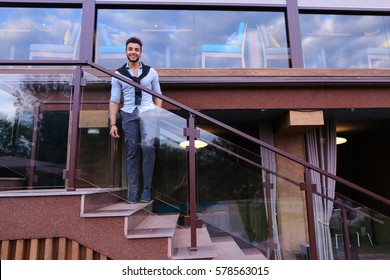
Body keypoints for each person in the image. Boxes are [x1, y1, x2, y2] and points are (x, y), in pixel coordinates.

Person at [109, 36, 162, 203]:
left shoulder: (151, 72)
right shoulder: (118, 74)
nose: (133, 52)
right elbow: (114, 100)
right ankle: (133, 191)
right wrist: (113, 124)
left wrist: (157, 112)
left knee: (148, 149)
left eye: (136, 49)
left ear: (140, 52)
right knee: (132, 151)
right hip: (128, 114)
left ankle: (146, 190)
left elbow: (158, 95)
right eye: (130, 49)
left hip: (148, 112)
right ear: (126, 51)